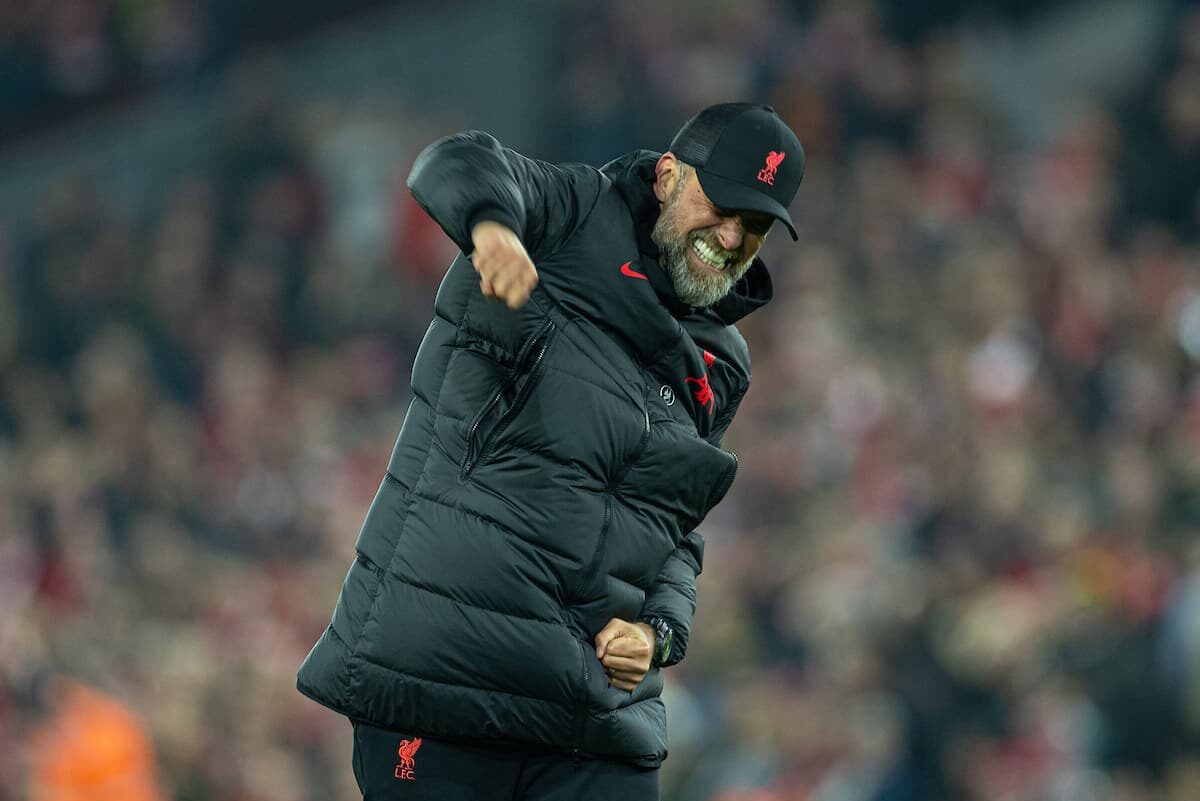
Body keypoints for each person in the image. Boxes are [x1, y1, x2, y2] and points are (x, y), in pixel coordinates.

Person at [297, 102, 805, 800]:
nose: (731, 235)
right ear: (666, 176)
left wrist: (658, 631)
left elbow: (674, 532)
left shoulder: (723, 362)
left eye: (755, 226)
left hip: (590, 719)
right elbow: (455, 161)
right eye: (722, 205)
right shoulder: (573, 213)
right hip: (441, 686)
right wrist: (494, 230)